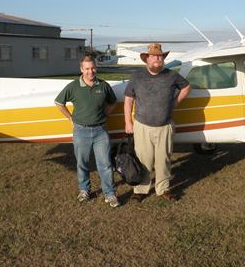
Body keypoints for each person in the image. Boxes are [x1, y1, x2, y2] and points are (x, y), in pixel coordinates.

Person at [124, 43, 191, 202]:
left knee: (164, 160)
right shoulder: (137, 76)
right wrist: (128, 122)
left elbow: (187, 87)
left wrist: (175, 103)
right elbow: (128, 100)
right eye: (154, 56)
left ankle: (163, 189)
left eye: (160, 56)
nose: (157, 59)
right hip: (142, 126)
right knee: (144, 159)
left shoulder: (172, 75)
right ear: (147, 59)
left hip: (165, 126)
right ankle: (140, 190)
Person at [55, 55, 119, 207]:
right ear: (81, 70)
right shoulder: (73, 86)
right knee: (82, 163)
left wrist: (106, 115)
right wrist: (70, 118)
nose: (91, 71)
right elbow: (59, 102)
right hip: (81, 131)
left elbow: (113, 102)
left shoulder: (103, 85)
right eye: (87, 69)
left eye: (93, 68)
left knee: (105, 164)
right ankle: (84, 190)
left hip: (100, 132)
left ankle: (109, 194)